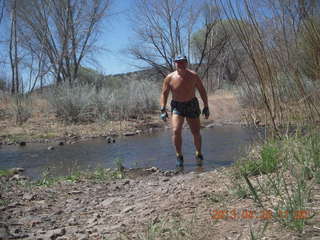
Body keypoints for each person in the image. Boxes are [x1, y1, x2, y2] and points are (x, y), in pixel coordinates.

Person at [160, 55, 210, 167]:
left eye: (183, 62)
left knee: (195, 132)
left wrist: (206, 106)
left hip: (192, 104)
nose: (181, 64)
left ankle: (198, 153)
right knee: (176, 131)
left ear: (186, 63)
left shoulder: (193, 75)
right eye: (178, 62)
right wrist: (163, 108)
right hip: (177, 106)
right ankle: (179, 156)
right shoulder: (169, 77)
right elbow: (164, 93)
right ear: (175, 63)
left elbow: (202, 90)